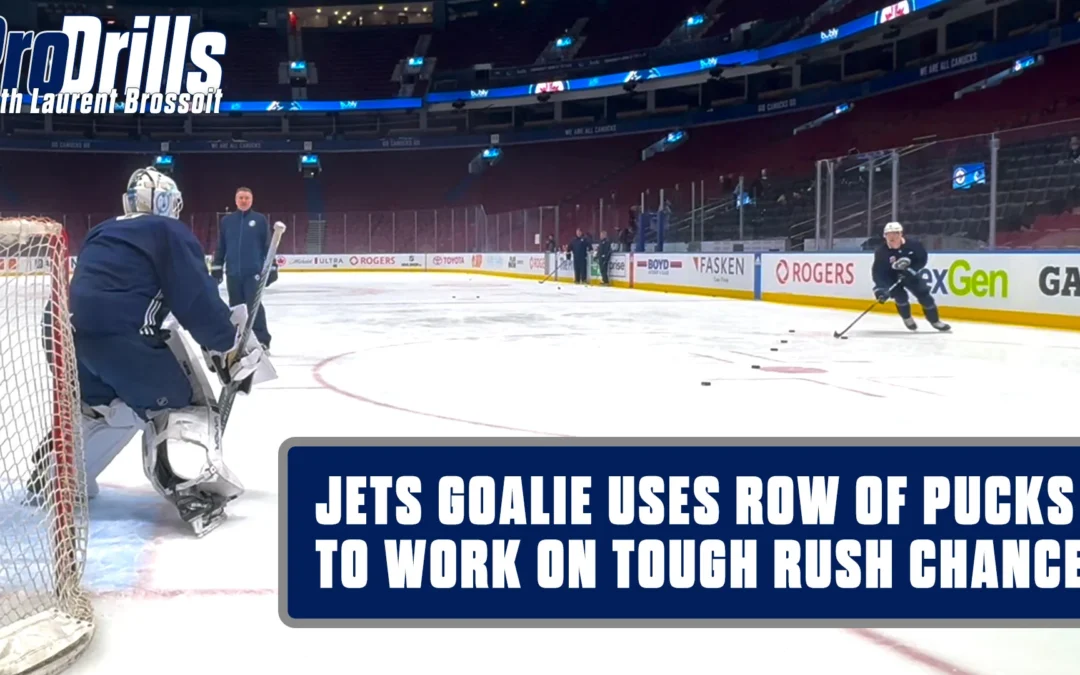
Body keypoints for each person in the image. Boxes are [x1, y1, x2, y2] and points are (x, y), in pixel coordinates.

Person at [49, 167, 272, 536]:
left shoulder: (101, 230)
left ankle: (60, 478)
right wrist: (228, 346)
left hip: (74, 344)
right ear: (168, 202)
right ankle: (194, 490)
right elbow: (195, 299)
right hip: (126, 343)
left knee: (111, 409)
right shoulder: (168, 231)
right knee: (185, 405)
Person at [211, 187, 277, 351]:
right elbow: (221, 246)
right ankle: (238, 339)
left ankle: (262, 340)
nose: (244, 201)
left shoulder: (260, 220)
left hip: (253, 273)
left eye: (247, 198)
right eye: (241, 198)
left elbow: (268, 245)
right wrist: (217, 267)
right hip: (233, 273)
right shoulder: (227, 221)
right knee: (236, 307)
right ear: (235, 200)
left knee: (254, 307)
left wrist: (272, 267)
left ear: (252, 200)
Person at [872, 222, 951, 332]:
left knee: (924, 295)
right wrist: (880, 289)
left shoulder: (913, 245)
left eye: (895, 233)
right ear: (884, 236)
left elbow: (922, 258)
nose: (892, 237)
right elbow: (878, 271)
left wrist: (911, 270)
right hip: (891, 277)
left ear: (901, 234)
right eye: (888, 234)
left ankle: (935, 321)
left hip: (910, 274)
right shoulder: (882, 252)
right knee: (901, 297)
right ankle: (907, 318)